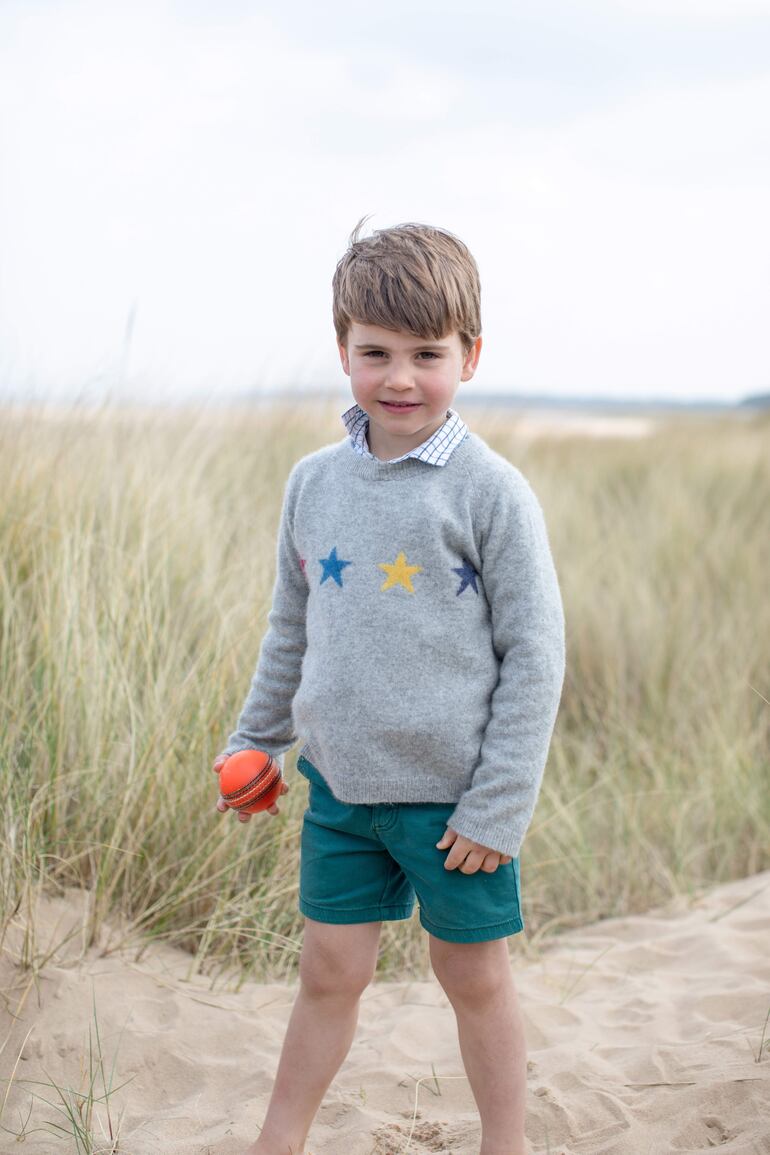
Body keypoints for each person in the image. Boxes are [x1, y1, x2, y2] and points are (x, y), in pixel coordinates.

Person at [213, 218, 566, 1155]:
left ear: (470, 356)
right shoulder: (312, 483)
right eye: (375, 352)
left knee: (473, 975)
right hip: (340, 792)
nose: (400, 377)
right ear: (342, 351)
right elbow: (291, 626)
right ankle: (278, 1138)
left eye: (427, 353)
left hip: (455, 806)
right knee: (328, 971)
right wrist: (257, 739)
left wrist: (498, 806)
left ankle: (507, 1142)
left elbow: (536, 655)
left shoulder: (491, 493)